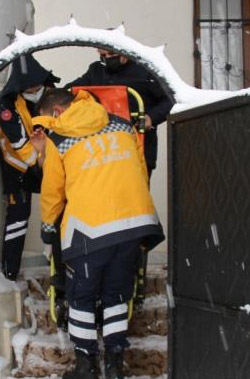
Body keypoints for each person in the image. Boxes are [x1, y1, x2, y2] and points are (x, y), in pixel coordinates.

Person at [33, 88, 164, 379]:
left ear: (56, 113)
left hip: (89, 229)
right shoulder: (121, 124)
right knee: (117, 296)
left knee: (81, 298)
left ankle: (85, 368)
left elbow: (53, 190)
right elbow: (140, 169)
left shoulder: (59, 139)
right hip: (134, 222)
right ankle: (115, 367)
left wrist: (48, 227)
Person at [65, 48, 174, 301]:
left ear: (123, 52)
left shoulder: (144, 71)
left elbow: (169, 99)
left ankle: (135, 275)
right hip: (104, 157)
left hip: (137, 153)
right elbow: (72, 92)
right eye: (101, 55)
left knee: (134, 213)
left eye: (110, 54)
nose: (106, 59)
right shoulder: (96, 71)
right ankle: (106, 272)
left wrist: (150, 118)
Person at [0, 54, 60, 280]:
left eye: (37, 86)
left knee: (61, 208)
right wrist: (40, 162)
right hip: (18, 166)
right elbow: (19, 143)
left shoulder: (51, 94)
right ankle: (9, 270)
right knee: (19, 215)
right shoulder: (7, 103)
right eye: (29, 88)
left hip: (51, 159)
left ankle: (60, 265)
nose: (35, 91)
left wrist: (51, 161)